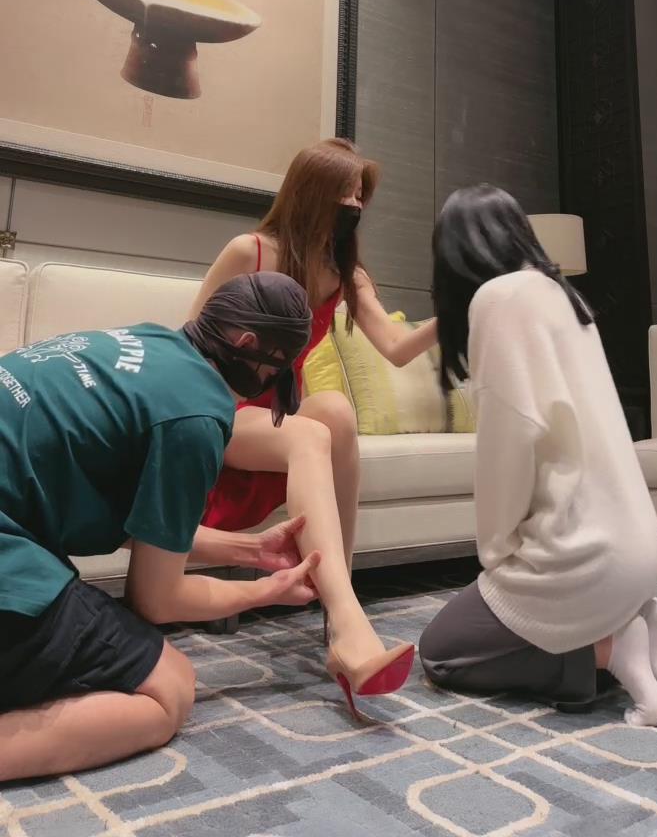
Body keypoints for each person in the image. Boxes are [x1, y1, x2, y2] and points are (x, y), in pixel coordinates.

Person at [0, 271, 413, 783]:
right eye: (275, 375)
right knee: (168, 689)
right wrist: (264, 593)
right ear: (248, 347)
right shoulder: (195, 416)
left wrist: (248, 550)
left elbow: (130, 522)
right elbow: (156, 600)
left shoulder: (144, 343)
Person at [419, 185, 657, 728]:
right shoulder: (564, 296)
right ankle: (636, 617)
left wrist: (497, 552)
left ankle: (608, 649)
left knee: (442, 651)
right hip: (643, 550)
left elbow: (509, 443)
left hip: (584, 558)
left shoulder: (499, 300)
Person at [192, 138, 437, 576]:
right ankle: (331, 583)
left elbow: (396, 348)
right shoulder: (251, 251)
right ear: (312, 192)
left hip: (281, 413)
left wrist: (457, 312)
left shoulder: (345, 274)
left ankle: (338, 578)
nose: (354, 205)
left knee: (337, 410)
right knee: (308, 432)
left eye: (360, 196)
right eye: (345, 193)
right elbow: (190, 341)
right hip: (225, 410)